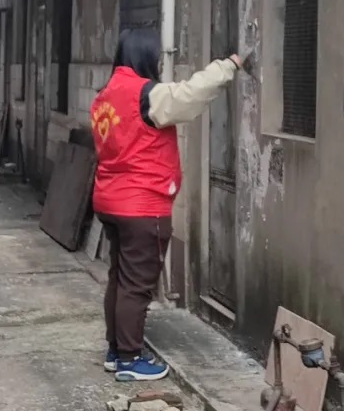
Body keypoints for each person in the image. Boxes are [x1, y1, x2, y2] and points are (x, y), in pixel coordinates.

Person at [92, 28, 254, 382]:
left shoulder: (104, 95)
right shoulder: (145, 94)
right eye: (156, 56)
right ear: (145, 57)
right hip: (141, 205)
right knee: (136, 286)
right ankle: (130, 359)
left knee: (120, 278)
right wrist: (229, 65)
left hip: (109, 199)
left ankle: (116, 350)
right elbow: (189, 94)